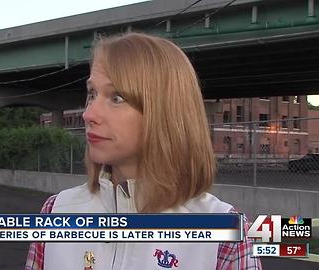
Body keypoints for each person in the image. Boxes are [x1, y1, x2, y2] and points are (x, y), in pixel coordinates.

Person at [25, 32, 262, 270]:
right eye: (92, 94)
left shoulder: (227, 235)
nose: (89, 114)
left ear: (166, 111)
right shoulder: (55, 211)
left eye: (116, 97)